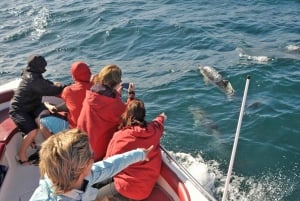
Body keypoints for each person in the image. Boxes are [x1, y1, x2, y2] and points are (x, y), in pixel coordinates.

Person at [29, 128, 153, 201]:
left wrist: (140, 154)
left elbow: (110, 166)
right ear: (85, 166)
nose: (93, 160)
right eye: (92, 156)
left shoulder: (82, 175)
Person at [97, 99, 166, 201]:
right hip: (146, 188)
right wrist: (162, 116)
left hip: (126, 188)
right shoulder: (154, 130)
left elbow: (108, 163)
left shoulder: (121, 136)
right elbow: (159, 121)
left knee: (91, 195)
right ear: (144, 115)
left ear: (127, 114)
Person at [9, 54, 64, 165]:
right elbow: (48, 90)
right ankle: (21, 154)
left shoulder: (32, 74)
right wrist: (62, 87)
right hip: (19, 110)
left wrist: (52, 83)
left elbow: (43, 83)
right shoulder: (32, 79)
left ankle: (46, 148)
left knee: (44, 118)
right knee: (32, 131)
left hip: (32, 106)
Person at [77, 64, 135, 161]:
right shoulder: (114, 105)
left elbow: (105, 102)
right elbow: (130, 114)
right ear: (116, 83)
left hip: (81, 147)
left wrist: (116, 94)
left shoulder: (90, 94)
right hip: (97, 154)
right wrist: (131, 95)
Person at [45, 61, 93, 128]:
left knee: (42, 121)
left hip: (76, 128)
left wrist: (47, 105)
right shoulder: (97, 88)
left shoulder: (68, 90)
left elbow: (55, 109)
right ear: (89, 73)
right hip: (93, 126)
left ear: (73, 76)